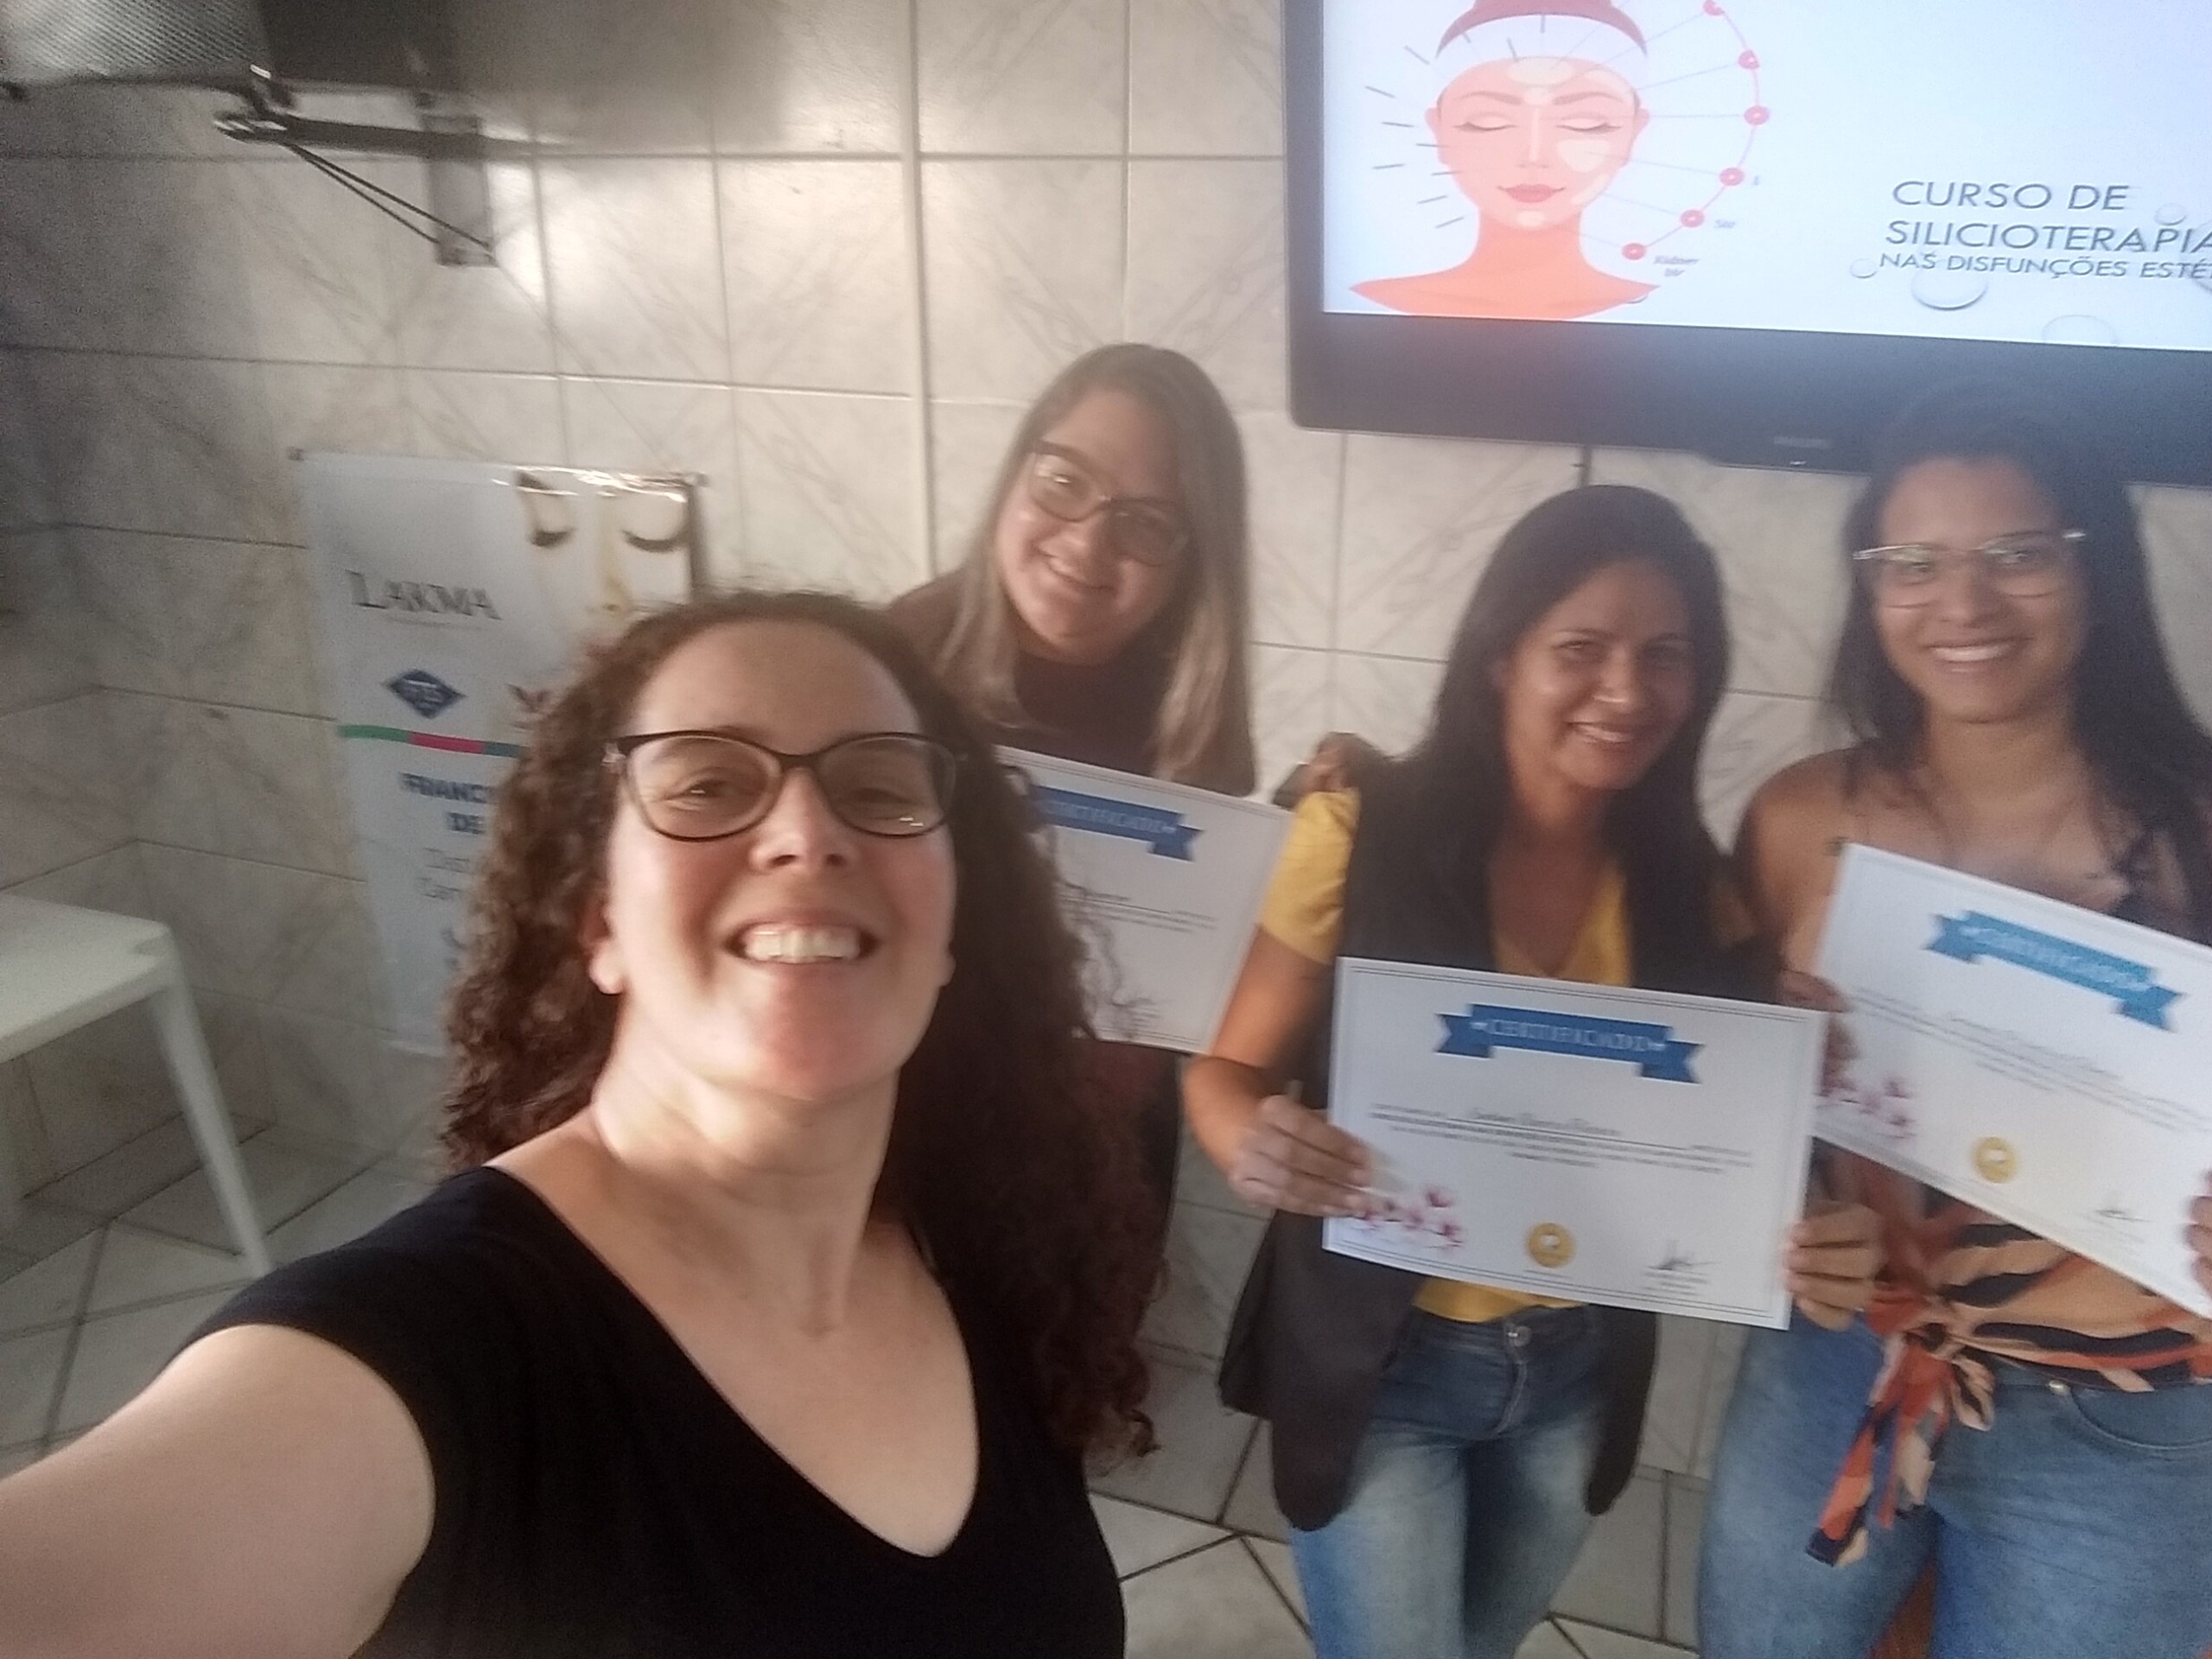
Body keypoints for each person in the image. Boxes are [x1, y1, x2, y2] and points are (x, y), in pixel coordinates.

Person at [0, 590, 1155, 1659]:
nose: (807, 833)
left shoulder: (986, 1248)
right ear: (599, 924)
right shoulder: (437, 1348)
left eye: (880, 788)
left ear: (951, 932)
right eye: (708, 785)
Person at [1184, 485, 1882, 1659]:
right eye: (1581, 648)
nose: (1627, 690)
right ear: (1501, 654)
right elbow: (1225, 1070)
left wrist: (1812, 1197)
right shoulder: (1357, 832)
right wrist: (1247, 1139)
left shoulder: (1698, 891)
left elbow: (1734, 1150)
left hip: (1576, 1377)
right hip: (1382, 1370)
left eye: (1665, 656)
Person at [1698, 384, 2212, 1659]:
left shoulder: (2198, 829)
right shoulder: (1800, 817)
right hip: (1840, 1357)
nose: (1963, 604)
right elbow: (1714, 1088)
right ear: (1871, 587)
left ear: (2094, 571)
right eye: (1913, 563)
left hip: (2130, 1415)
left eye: (2017, 555)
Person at [890, 342, 1258, 1214]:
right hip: (907, 1130)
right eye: (1064, 482)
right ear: (1016, 474)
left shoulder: (1186, 712)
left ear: (1190, 560)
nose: (1088, 543)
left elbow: (1187, 972)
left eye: (1145, 524)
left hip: (1099, 1151)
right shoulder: (883, 672)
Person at [1356, 0, 1656, 321]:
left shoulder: (1660, 307)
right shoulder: (1367, 307)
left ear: (1633, 134)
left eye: (1586, 123)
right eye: (1487, 122)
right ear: (1439, 131)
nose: (1533, 156)